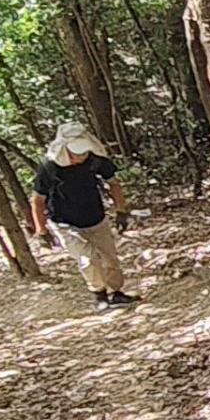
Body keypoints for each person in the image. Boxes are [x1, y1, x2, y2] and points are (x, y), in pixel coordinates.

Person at [31, 122, 137, 311]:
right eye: (76, 153)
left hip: (96, 216)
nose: (80, 157)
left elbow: (114, 183)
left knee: (110, 258)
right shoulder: (49, 168)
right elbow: (38, 200)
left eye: (83, 152)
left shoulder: (95, 161)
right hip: (65, 222)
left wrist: (121, 211)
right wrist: (41, 230)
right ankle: (100, 295)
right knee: (87, 260)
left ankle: (116, 293)